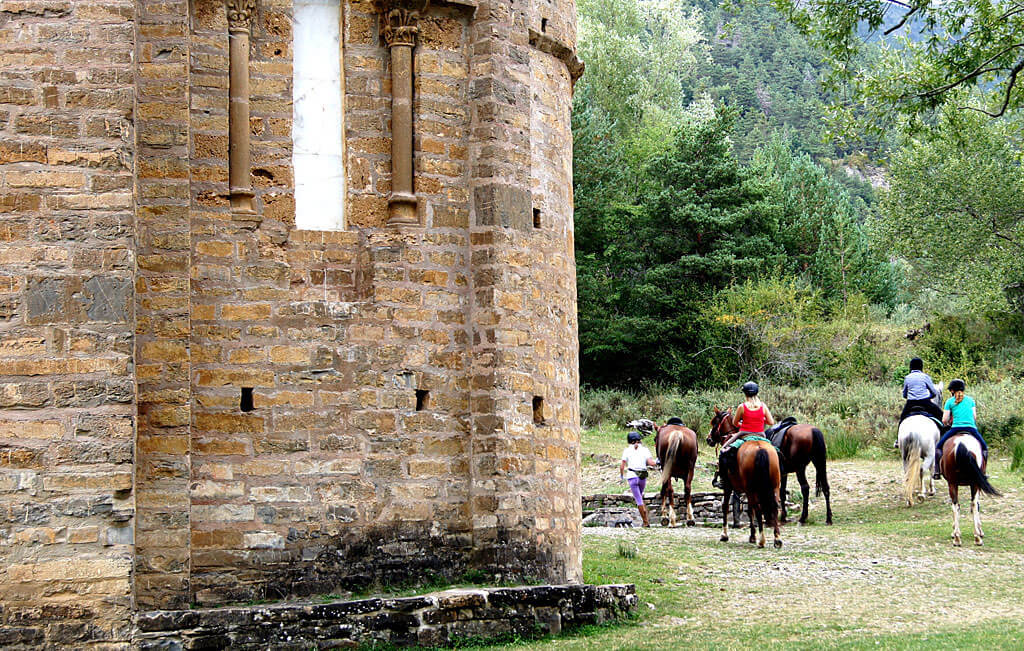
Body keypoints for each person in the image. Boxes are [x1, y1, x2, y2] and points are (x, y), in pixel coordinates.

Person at [715, 382, 776, 486]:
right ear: (757, 393)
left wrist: (743, 423)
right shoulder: (763, 406)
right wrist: (760, 420)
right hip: (761, 435)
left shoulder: (742, 407)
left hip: (744, 434)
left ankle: (723, 480)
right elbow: (771, 422)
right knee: (777, 452)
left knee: (723, 450)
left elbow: (735, 423)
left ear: (745, 394)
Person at [933, 379, 987, 479]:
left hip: (955, 429)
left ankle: (937, 471)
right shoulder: (971, 400)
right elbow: (974, 417)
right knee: (984, 447)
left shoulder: (949, 401)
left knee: (938, 447)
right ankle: (983, 472)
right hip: (971, 429)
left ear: (952, 391)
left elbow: (945, 419)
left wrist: (947, 423)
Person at [894, 357, 944, 448]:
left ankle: (898, 440)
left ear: (911, 367)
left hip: (911, 403)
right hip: (925, 402)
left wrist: (910, 396)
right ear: (921, 367)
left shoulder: (907, 378)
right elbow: (934, 392)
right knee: (941, 415)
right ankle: (943, 436)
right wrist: (929, 397)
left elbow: (904, 394)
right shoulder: (925, 377)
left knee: (902, 419)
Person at [620, 431, 657, 527]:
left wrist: (621, 476)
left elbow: (622, 465)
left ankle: (645, 522)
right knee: (640, 496)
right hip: (642, 477)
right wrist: (659, 461)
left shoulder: (627, 450)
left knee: (638, 500)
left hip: (632, 476)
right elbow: (651, 463)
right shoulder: (645, 450)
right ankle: (646, 519)